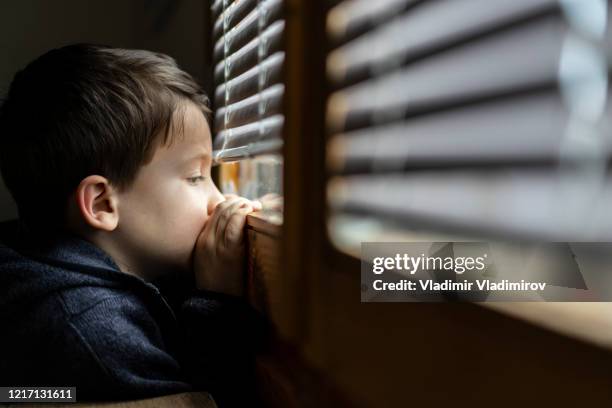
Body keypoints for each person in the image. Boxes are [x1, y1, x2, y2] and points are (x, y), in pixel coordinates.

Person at [0, 44, 267, 407]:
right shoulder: (94, 332)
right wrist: (217, 303)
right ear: (102, 204)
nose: (218, 200)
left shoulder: (45, 260)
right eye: (194, 177)